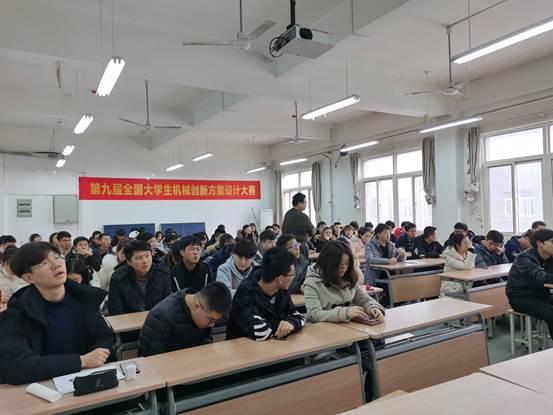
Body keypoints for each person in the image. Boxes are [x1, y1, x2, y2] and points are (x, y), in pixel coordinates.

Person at [0, 242, 113, 384]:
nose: (56, 264)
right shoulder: (16, 315)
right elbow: (17, 366)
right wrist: (82, 361)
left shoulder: (85, 299)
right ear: (28, 278)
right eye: (44, 263)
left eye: (57, 257)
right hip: (40, 387)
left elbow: (104, 337)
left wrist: (98, 356)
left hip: (87, 380)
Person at [226, 248, 305, 340]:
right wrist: (282, 324)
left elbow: (298, 316)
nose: (294, 277)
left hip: (272, 344)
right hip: (242, 346)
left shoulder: (282, 290)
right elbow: (260, 332)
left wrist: (291, 323)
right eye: (293, 274)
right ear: (280, 279)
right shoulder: (245, 293)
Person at [139, 282, 231, 356]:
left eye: (215, 321)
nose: (212, 325)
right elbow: (153, 359)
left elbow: (206, 341)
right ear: (196, 306)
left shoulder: (205, 310)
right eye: (210, 320)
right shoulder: (161, 317)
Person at [507, 229, 553, 340]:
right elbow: (541, 277)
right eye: (552, 242)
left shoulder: (550, 257)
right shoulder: (524, 258)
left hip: (541, 295)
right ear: (539, 243)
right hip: (521, 298)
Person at [107, 240, 172, 315]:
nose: (145, 261)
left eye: (147, 256)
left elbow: (168, 305)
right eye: (138, 258)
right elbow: (115, 310)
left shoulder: (163, 274)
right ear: (129, 262)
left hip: (157, 319)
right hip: (128, 320)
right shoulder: (118, 278)